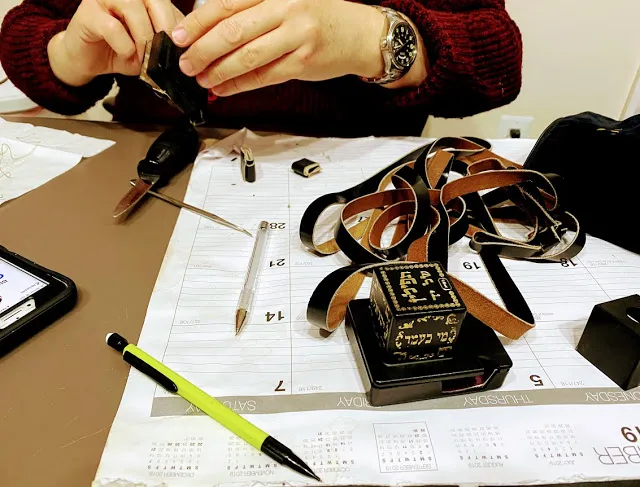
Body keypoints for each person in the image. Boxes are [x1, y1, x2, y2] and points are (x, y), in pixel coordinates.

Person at [0, 0, 522, 137]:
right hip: (151, 164)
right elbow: (28, 27)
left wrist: (373, 38)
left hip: (354, 188)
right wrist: (69, 55)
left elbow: (498, 53)